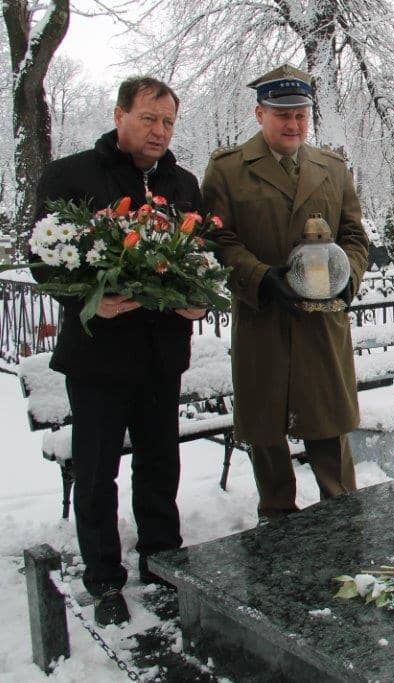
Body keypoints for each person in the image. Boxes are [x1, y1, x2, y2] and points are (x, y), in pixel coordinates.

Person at [34, 76, 206, 626]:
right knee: (96, 472)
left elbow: (201, 259)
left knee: (159, 464)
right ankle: (104, 577)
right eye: (149, 118)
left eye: (168, 122)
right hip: (98, 357)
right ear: (119, 115)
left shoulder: (182, 184)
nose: (160, 131)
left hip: (161, 353)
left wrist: (199, 302)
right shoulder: (71, 176)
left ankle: (162, 561)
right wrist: (91, 298)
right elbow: (43, 259)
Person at [203, 64, 369, 524]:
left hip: (322, 323)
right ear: (260, 114)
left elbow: (354, 235)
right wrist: (260, 277)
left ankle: (343, 527)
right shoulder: (228, 169)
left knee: (330, 432)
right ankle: (275, 526)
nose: (293, 124)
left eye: (301, 115)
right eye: (282, 115)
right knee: (267, 434)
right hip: (263, 320)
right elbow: (218, 238)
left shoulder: (331, 168)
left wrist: (349, 276)